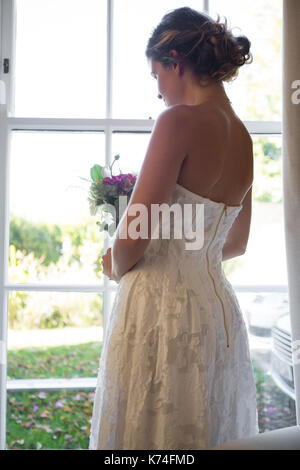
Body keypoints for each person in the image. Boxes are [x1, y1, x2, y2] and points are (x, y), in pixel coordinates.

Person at [89, 6, 259, 450]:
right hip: (215, 312)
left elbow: (134, 238)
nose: (159, 92)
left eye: (156, 76)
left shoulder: (176, 123)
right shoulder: (244, 140)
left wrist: (112, 260)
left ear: (177, 62)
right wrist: (189, 257)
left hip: (160, 311)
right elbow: (236, 243)